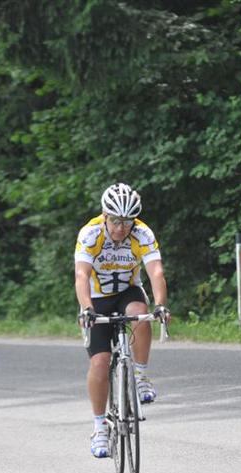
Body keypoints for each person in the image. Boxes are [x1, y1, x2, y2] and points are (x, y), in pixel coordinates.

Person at [74, 183, 171, 458]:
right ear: (105, 215)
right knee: (100, 362)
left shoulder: (142, 233)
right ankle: (99, 427)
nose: (121, 228)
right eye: (116, 221)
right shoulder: (90, 233)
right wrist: (87, 309)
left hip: (127, 292)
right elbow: (81, 275)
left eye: (127, 222)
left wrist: (161, 305)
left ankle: (140, 375)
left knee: (142, 312)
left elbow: (156, 272)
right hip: (96, 298)